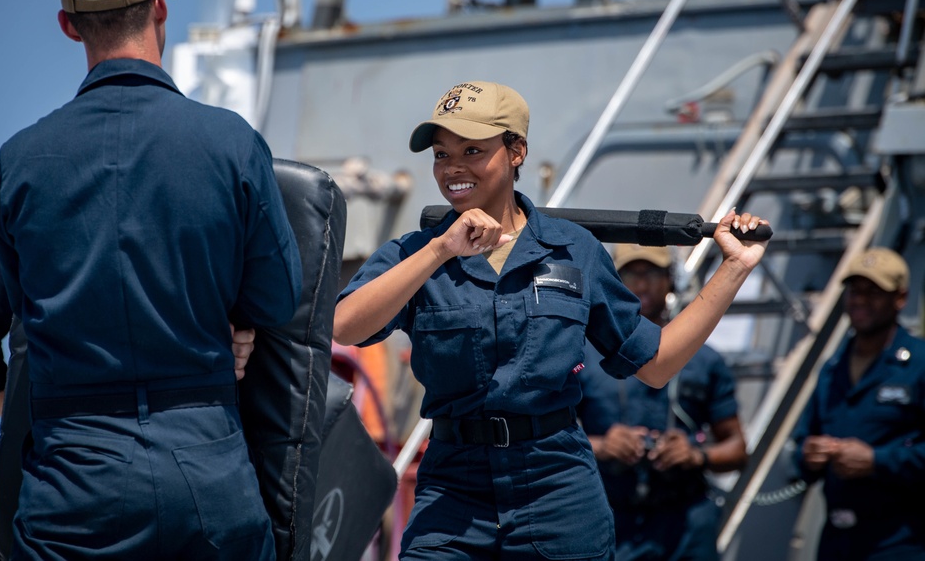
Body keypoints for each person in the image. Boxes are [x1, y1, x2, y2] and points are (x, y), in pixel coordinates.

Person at [332, 80, 770, 560]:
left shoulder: (575, 250)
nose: (453, 167)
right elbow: (344, 326)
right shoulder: (414, 254)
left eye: (473, 149)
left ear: (516, 150)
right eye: (441, 154)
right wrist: (440, 249)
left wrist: (734, 269)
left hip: (557, 490)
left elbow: (657, 363)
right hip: (453, 492)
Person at [0, 0, 302, 560]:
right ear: (161, 4)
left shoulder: (19, 159)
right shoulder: (229, 143)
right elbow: (279, 299)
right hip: (207, 477)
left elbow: (27, 305)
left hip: (71, 485)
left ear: (68, 26)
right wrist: (234, 323)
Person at [0, 229, 259, 560]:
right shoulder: (213, 207)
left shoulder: (31, 205)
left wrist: (52, 418)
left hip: (45, 505)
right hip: (197, 498)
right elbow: (280, 301)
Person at [576, 243, 748, 561]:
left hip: (686, 525)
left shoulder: (705, 360)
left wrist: (696, 455)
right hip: (612, 521)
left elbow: (737, 449)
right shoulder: (582, 358)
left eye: (651, 273)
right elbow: (549, 438)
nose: (641, 284)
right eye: (630, 274)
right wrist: (602, 445)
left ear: (672, 279)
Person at [791, 247, 925, 561]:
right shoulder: (833, 367)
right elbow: (799, 445)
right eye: (854, 291)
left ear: (900, 298)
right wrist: (809, 456)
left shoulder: (919, 364)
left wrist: (876, 460)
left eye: (873, 292)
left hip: (902, 543)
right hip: (838, 543)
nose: (860, 301)